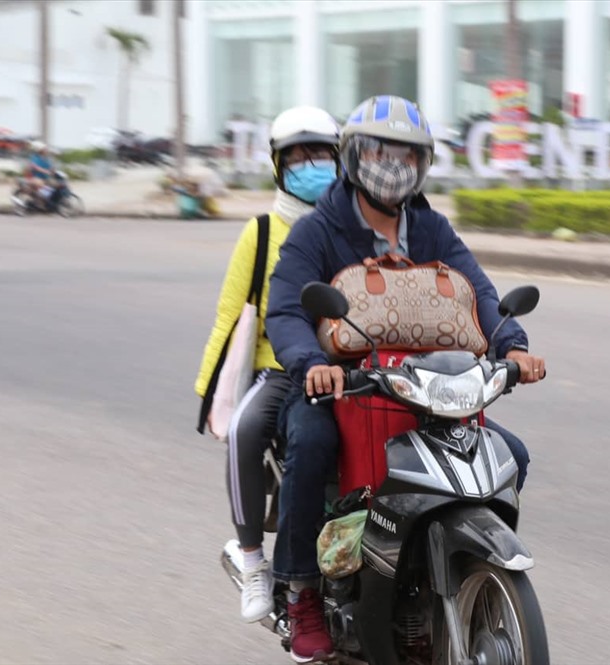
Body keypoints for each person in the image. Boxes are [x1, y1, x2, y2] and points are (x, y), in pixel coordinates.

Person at [264, 95, 546, 663]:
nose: (391, 167)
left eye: (405, 157)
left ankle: (461, 569)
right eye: (377, 153)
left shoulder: (431, 227)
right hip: (340, 384)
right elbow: (288, 311)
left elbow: (479, 294)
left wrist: (513, 346)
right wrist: (311, 364)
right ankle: (303, 592)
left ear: (422, 166)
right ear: (353, 158)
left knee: (510, 452)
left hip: (423, 385)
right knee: (313, 442)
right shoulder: (319, 230)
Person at [194, 106, 341, 624]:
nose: (311, 165)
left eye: (321, 154)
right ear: (279, 166)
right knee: (244, 431)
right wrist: (210, 391)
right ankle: (255, 560)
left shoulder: (351, 226)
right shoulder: (260, 233)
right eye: (298, 157)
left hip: (347, 367)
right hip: (277, 370)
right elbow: (228, 316)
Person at [26, 141, 61, 211]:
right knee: (42, 186)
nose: (45, 150)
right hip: (36, 177)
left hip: (45, 178)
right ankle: (40, 202)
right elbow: (35, 167)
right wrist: (44, 171)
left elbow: (50, 168)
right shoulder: (34, 157)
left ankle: (51, 202)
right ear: (39, 150)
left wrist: (54, 170)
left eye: (45, 149)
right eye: (44, 149)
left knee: (56, 184)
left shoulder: (46, 159)